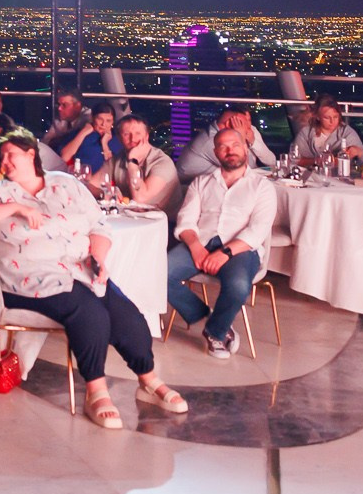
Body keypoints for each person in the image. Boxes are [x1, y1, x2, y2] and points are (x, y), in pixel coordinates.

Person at [0, 129, 187, 429]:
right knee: (90, 314)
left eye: (11, 154)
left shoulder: (65, 185)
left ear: (32, 155)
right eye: (1, 156)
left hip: (79, 271)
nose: (4, 161)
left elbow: (99, 225)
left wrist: (98, 258)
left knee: (127, 316)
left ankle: (148, 381)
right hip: (28, 280)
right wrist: (16, 207)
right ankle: (96, 392)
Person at [165, 128, 277, 358]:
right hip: (202, 242)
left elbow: (258, 230)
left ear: (245, 148)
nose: (230, 151)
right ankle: (210, 317)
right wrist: (196, 247)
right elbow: (186, 220)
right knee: (159, 273)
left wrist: (225, 252)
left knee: (237, 286)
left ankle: (216, 331)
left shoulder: (262, 186)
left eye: (235, 145)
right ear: (216, 152)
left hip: (240, 248)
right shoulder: (202, 182)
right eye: (223, 147)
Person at [95, 114, 181, 214]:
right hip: (128, 219)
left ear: (147, 136)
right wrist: (103, 193)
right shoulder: (118, 158)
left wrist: (132, 162)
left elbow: (140, 199)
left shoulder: (162, 162)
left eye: (138, 133)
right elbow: (90, 184)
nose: (133, 139)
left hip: (164, 224)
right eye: (127, 134)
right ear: (119, 138)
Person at [178, 106, 276, 179]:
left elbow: (272, 162)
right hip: (193, 190)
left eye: (249, 120)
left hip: (219, 183)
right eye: (244, 123)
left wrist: (253, 142)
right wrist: (241, 138)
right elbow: (245, 170)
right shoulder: (212, 141)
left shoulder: (248, 130)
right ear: (231, 124)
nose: (249, 126)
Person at [288, 96, 363, 168]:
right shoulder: (306, 132)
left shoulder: (347, 133)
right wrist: (316, 161)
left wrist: (358, 151)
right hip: (311, 178)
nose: (332, 121)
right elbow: (294, 159)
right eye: (327, 118)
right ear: (318, 117)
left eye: (335, 117)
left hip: (341, 179)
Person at [59, 103, 116, 175]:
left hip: (106, 181)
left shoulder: (116, 139)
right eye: (100, 119)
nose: (103, 124)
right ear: (93, 118)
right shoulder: (80, 134)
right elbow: (64, 157)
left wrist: (105, 144)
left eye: (108, 121)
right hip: (82, 179)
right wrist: (83, 132)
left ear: (113, 122)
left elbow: (114, 170)